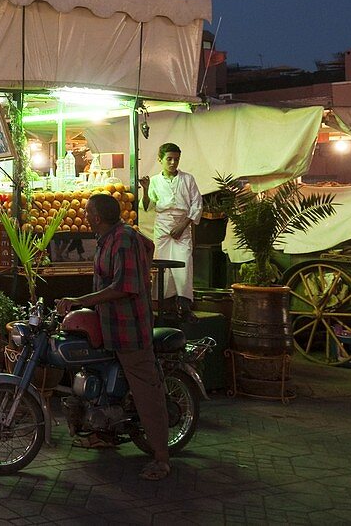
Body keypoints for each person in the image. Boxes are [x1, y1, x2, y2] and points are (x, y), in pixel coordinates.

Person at [56, 194, 170, 481]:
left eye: (87, 211)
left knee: (146, 393)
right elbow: (143, 252)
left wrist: (82, 299)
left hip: (129, 329)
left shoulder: (123, 239)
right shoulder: (109, 237)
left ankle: (161, 458)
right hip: (110, 326)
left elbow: (124, 286)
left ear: (97, 217)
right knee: (102, 377)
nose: (84, 215)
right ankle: (103, 434)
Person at [140, 142, 202, 315]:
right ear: (160, 159)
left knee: (184, 263)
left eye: (176, 159)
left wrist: (183, 225)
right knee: (161, 266)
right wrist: (145, 190)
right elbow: (147, 206)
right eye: (169, 159)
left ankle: (184, 303)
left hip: (183, 225)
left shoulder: (188, 179)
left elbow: (197, 205)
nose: (173, 163)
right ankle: (162, 303)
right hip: (163, 227)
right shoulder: (154, 181)